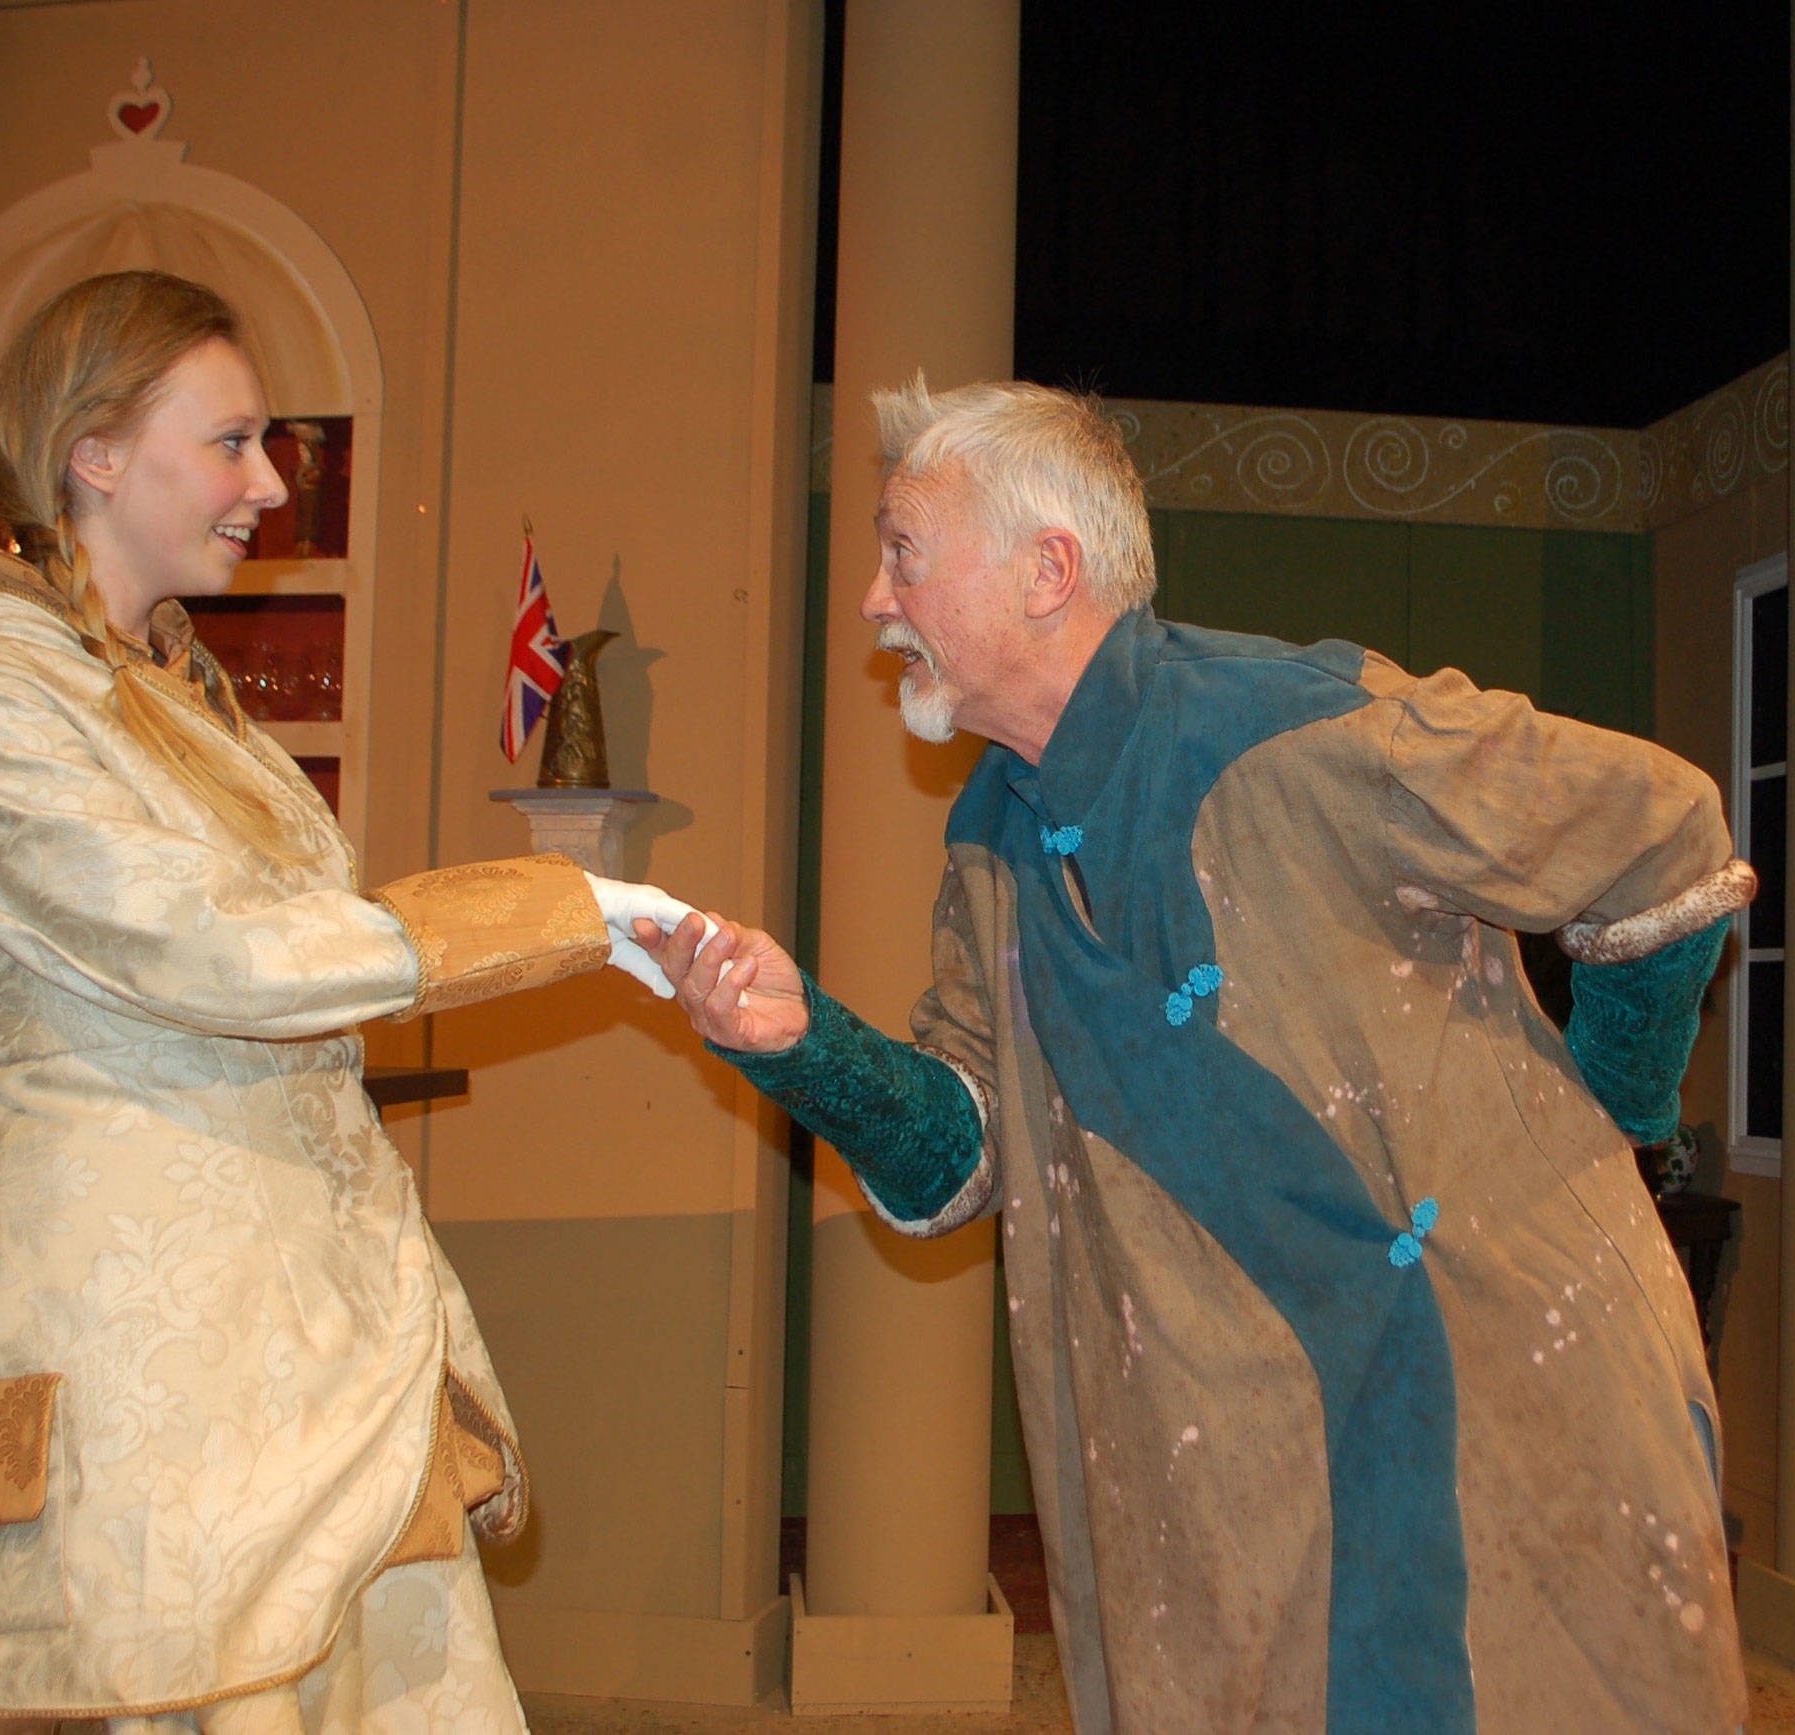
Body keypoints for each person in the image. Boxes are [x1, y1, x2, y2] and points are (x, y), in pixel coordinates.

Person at [642, 377, 1755, 1734]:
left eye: (902, 553)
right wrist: (799, 1039)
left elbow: (1666, 831)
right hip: (1239, 1465)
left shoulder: (1297, 726)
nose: (875, 601)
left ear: (1048, 569)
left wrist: (1613, 1122)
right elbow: (960, 1148)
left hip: (1502, 1403)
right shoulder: (990, 836)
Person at [0, 270, 685, 1733]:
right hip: (118, 1311)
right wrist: (564, 910)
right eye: (234, 441)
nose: (271, 486)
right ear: (95, 452)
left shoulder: (181, 691)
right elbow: (211, 952)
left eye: (273, 448)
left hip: (299, 1298)